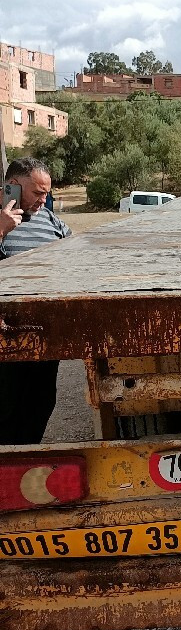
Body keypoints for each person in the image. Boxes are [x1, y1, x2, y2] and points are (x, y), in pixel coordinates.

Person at [0, 157, 72, 443]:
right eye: (38, 192)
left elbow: (75, 255)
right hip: (6, 336)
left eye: (47, 193)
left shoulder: (49, 219)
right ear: (13, 186)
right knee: (5, 409)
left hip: (43, 334)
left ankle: (25, 464)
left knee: (40, 404)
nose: (44, 199)